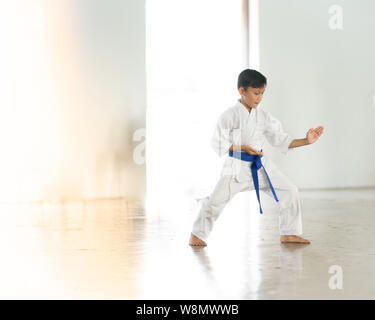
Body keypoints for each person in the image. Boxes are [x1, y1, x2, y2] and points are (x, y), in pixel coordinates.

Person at [189, 69, 324, 246]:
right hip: (236, 166)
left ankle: (289, 233)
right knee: (215, 201)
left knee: (289, 190)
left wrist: (306, 140)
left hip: (260, 166)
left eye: (262, 93)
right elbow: (218, 142)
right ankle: (197, 235)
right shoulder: (229, 115)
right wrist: (241, 147)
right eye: (255, 93)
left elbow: (280, 139)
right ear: (242, 91)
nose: (259, 98)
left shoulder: (263, 116)